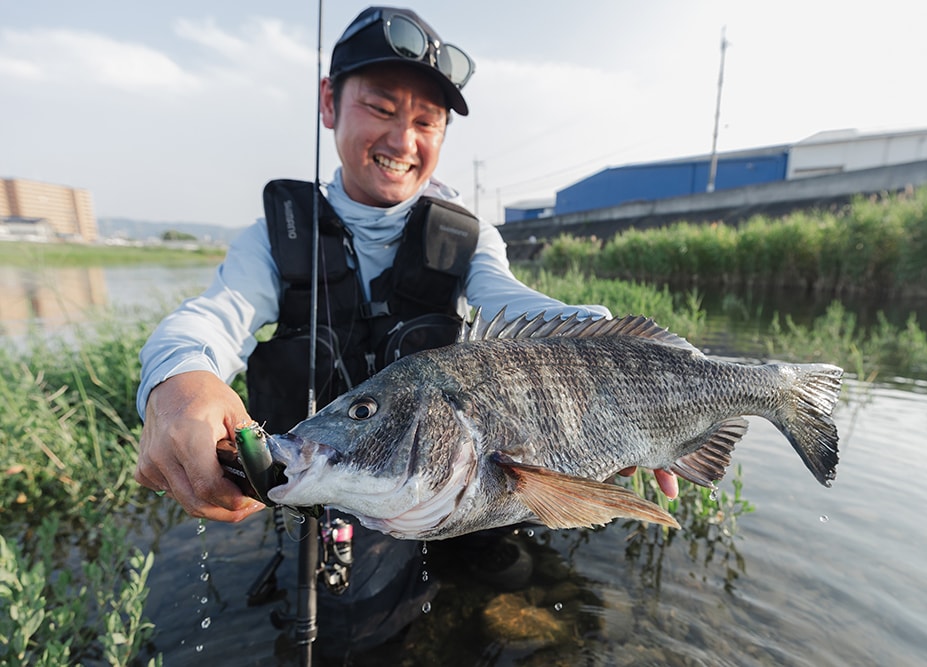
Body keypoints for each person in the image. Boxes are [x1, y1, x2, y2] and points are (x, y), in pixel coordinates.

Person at [134, 4, 678, 653]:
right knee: (357, 634)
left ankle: (473, 558)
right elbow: (209, 318)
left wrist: (638, 368)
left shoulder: (468, 236)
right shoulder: (274, 238)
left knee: (510, 574)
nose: (403, 140)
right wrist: (177, 382)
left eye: (427, 122)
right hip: (346, 481)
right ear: (329, 102)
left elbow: (522, 306)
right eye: (383, 109)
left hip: (463, 464)